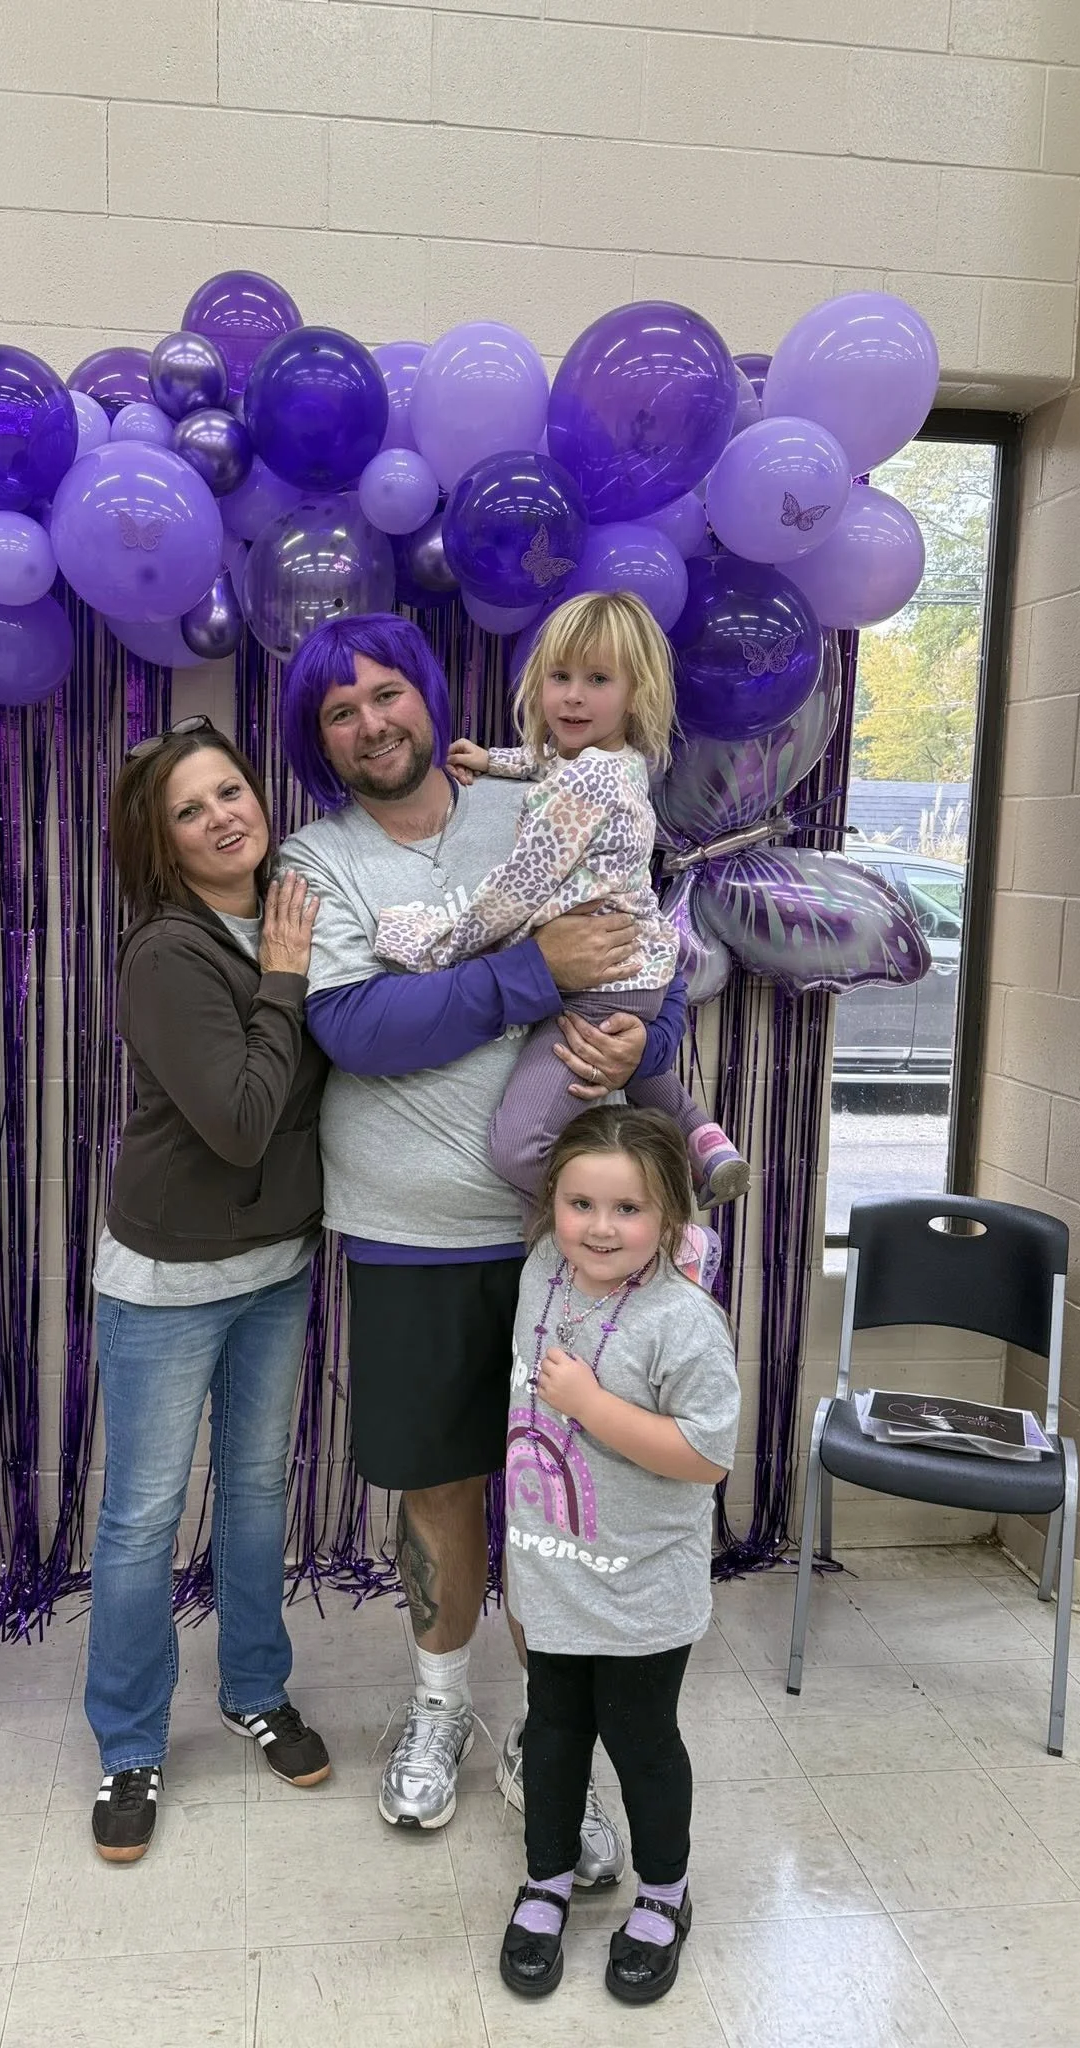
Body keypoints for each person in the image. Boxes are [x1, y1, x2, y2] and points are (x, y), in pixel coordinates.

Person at [278, 612, 676, 1873]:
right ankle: (443, 1708)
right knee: (442, 1489)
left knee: (564, 1493)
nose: (371, 724)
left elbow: (632, 958)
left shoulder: (547, 798)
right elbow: (358, 1028)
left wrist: (640, 1047)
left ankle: (552, 1743)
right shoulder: (316, 858)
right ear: (321, 741)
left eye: (386, 695)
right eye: (340, 712)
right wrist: (532, 968)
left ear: (426, 695)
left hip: (570, 1241)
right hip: (406, 1234)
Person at [85, 717, 332, 1866]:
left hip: (276, 1261)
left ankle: (255, 1691)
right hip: (170, 1279)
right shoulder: (169, 952)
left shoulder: (295, 898)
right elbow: (238, 1122)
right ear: (164, 841)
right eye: (191, 808)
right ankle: (130, 1740)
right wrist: (284, 981)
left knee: (252, 1495)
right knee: (139, 1519)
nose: (223, 814)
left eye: (229, 788)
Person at [375, 589, 748, 1210]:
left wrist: (434, 944)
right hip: (641, 969)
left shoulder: (581, 784)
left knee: (519, 1147)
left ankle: (654, 1220)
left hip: (593, 985)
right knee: (637, 1069)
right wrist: (494, 759)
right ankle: (704, 1145)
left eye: (598, 679)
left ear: (638, 694)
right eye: (559, 676)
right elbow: (550, 761)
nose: (573, 695)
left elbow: (515, 892)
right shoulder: (623, 761)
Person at [497, 1105, 739, 2006]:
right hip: (550, 1567)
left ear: (670, 1217)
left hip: (642, 1583)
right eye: (581, 1203)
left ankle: (665, 1895)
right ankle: (547, 1880)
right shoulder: (540, 1275)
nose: (601, 1227)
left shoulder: (685, 1323)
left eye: (628, 1210)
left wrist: (592, 1406)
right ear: (551, 1206)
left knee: (639, 1737)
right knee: (554, 1729)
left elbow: (706, 1455)